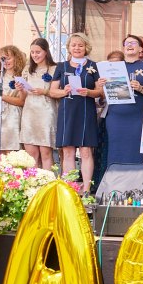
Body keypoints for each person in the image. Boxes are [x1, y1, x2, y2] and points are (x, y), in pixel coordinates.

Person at [49, 33, 103, 189]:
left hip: (86, 110)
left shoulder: (94, 66)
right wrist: (64, 91)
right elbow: (52, 91)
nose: (77, 48)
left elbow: (100, 91)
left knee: (86, 151)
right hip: (67, 111)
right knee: (68, 151)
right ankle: (70, 188)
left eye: (80, 45)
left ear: (86, 47)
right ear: (69, 47)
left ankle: (86, 189)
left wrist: (89, 92)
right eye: (74, 45)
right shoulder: (62, 66)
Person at [103, 34, 143, 166]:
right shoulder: (114, 67)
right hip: (116, 117)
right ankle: (115, 178)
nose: (130, 45)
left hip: (138, 117)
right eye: (127, 43)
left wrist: (141, 88)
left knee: (135, 152)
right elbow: (107, 94)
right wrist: (102, 85)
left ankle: (136, 179)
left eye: (133, 43)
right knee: (115, 151)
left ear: (141, 49)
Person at [20, 37, 58, 170]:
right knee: (31, 155)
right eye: (32, 52)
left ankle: (47, 181)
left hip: (46, 112)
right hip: (29, 112)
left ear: (46, 52)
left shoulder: (54, 69)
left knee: (46, 152)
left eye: (38, 52)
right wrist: (21, 89)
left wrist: (44, 91)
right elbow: (23, 97)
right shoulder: (27, 69)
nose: (35, 55)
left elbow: (57, 92)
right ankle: (32, 180)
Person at [0, 45, 27, 154]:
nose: (5, 61)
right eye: (2, 58)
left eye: (8, 58)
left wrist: (2, 96)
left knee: (11, 152)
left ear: (16, 58)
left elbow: (22, 102)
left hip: (13, 116)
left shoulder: (22, 76)